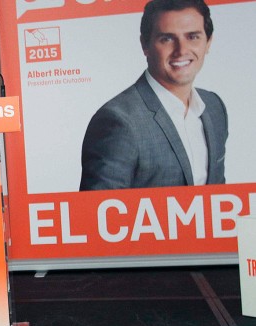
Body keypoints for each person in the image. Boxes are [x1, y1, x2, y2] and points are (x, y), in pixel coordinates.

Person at [79, 0, 228, 191]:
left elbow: (220, 197)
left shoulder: (214, 107)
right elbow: (99, 213)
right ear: (145, 45)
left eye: (193, 37)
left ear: (208, 42)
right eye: (167, 39)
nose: (181, 50)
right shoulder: (118, 121)